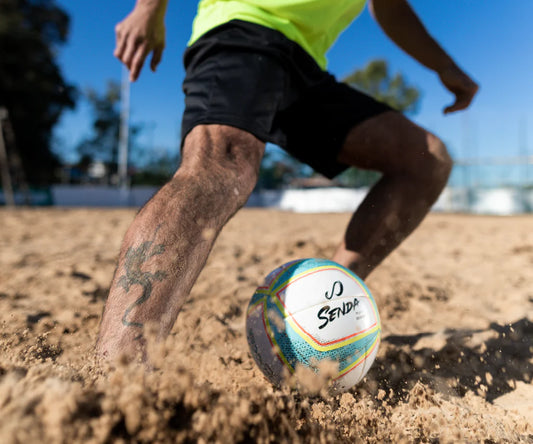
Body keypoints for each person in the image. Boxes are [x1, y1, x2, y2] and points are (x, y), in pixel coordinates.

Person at [96, 0, 478, 361]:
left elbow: (390, 8)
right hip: (244, 25)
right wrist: (148, 8)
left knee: (426, 160)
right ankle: (114, 376)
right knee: (221, 165)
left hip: (306, 67)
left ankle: (315, 312)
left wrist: (445, 66)